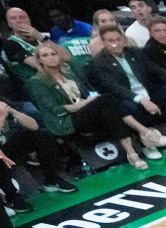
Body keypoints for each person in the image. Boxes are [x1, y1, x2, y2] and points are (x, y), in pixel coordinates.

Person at [26, 40, 157, 170]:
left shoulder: (69, 73)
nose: (51, 57)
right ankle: (144, 134)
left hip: (86, 111)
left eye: (53, 54)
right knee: (107, 99)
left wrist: (90, 98)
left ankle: (132, 153)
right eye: (45, 55)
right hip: (66, 120)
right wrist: (87, 102)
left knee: (110, 110)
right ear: (39, 60)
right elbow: (55, 110)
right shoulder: (36, 82)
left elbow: (84, 81)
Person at [0, 71, 76, 197]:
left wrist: (11, 110)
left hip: (8, 145)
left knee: (42, 135)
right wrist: (0, 116)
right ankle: (12, 197)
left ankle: (52, 180)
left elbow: (34, 126)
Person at [88, 25, 166, 139]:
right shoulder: (99, 62)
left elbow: (157, 70)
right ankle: (148, 139)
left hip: (150, 93)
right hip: (130, 98)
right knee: (126, 107)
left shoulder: (134, 52)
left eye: (118, 39)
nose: (116, 43)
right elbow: (114, 87)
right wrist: (141, 100)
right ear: (104, 43)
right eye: (111, 41)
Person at [2, 7, 71, 82]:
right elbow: (40, 66)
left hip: (63, 77)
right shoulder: (10, 44)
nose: (19, 21)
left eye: (22, 17)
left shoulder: (42, 38)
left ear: (29, 20)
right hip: (39, 83)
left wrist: (40, 37)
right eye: (13, 18)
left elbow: (67, 57)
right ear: (9, 24)